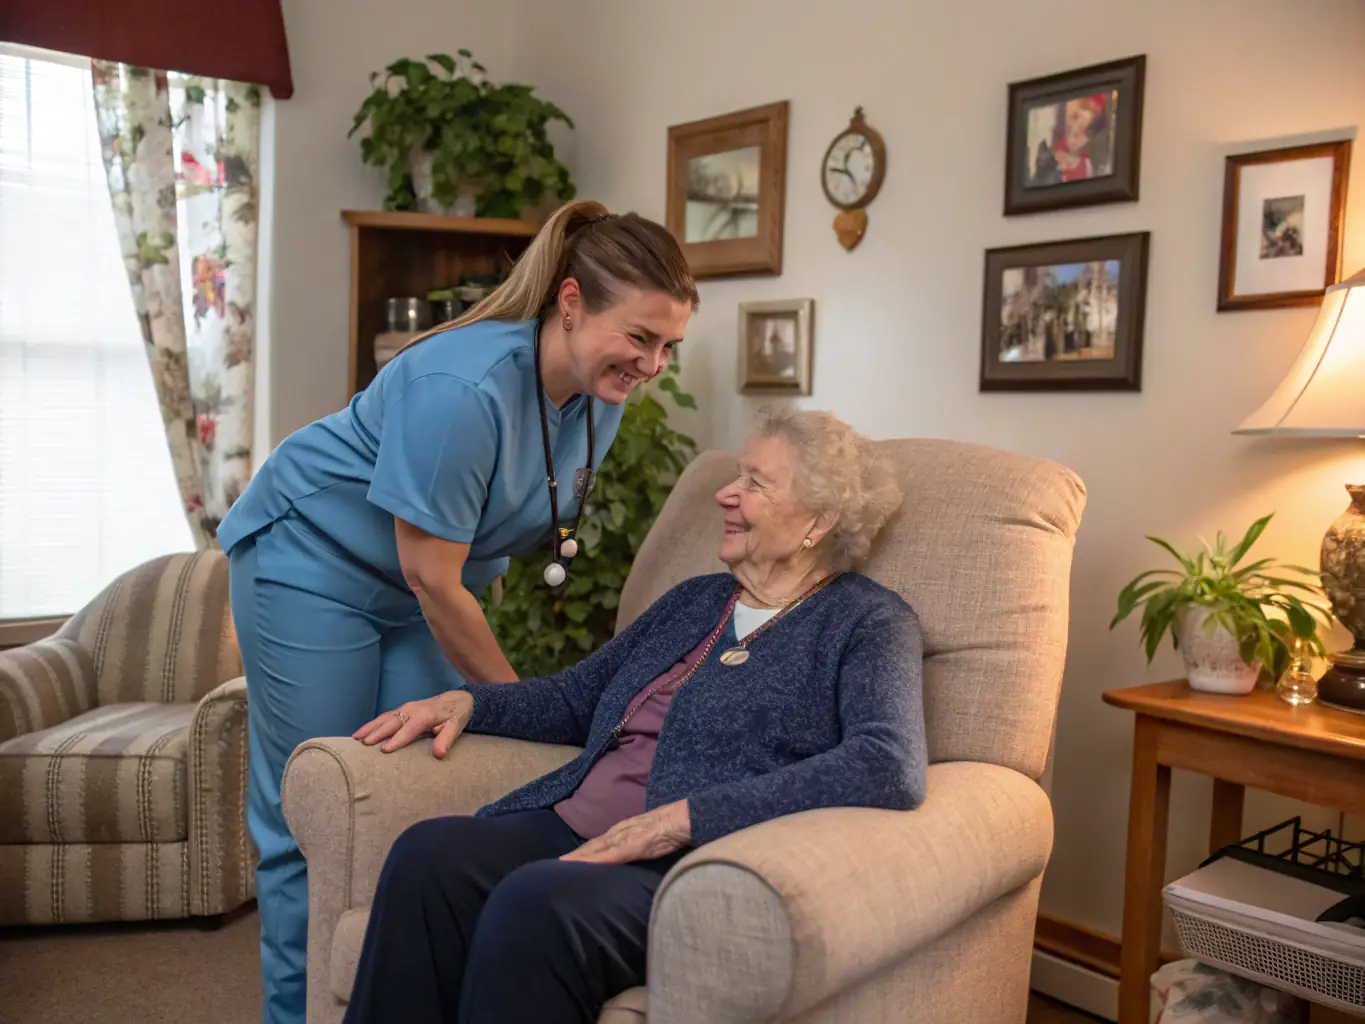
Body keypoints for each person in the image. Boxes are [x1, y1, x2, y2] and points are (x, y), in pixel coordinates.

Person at [216, 199, 698, 1024]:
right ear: (572, 304)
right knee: (311, 808)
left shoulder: (602, 398)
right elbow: (434, 577)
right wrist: (530, 712)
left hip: (422, 588)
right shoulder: (460, 387)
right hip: (311, 563)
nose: (652, 364)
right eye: (640, 338)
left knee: (432, 787)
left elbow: (494, 528)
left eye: (668, 347)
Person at [344, 408, 928, 1024]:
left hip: (689, 863)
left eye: (756, 483)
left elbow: (887, 763)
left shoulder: (867, 622)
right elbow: (577, 698)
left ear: (819, 521)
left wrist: (685, 819)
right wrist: (469, 700)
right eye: (736, 475)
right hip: (579, 824)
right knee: (428, 857)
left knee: (533, 904)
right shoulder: (695, 601)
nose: (726, 494)